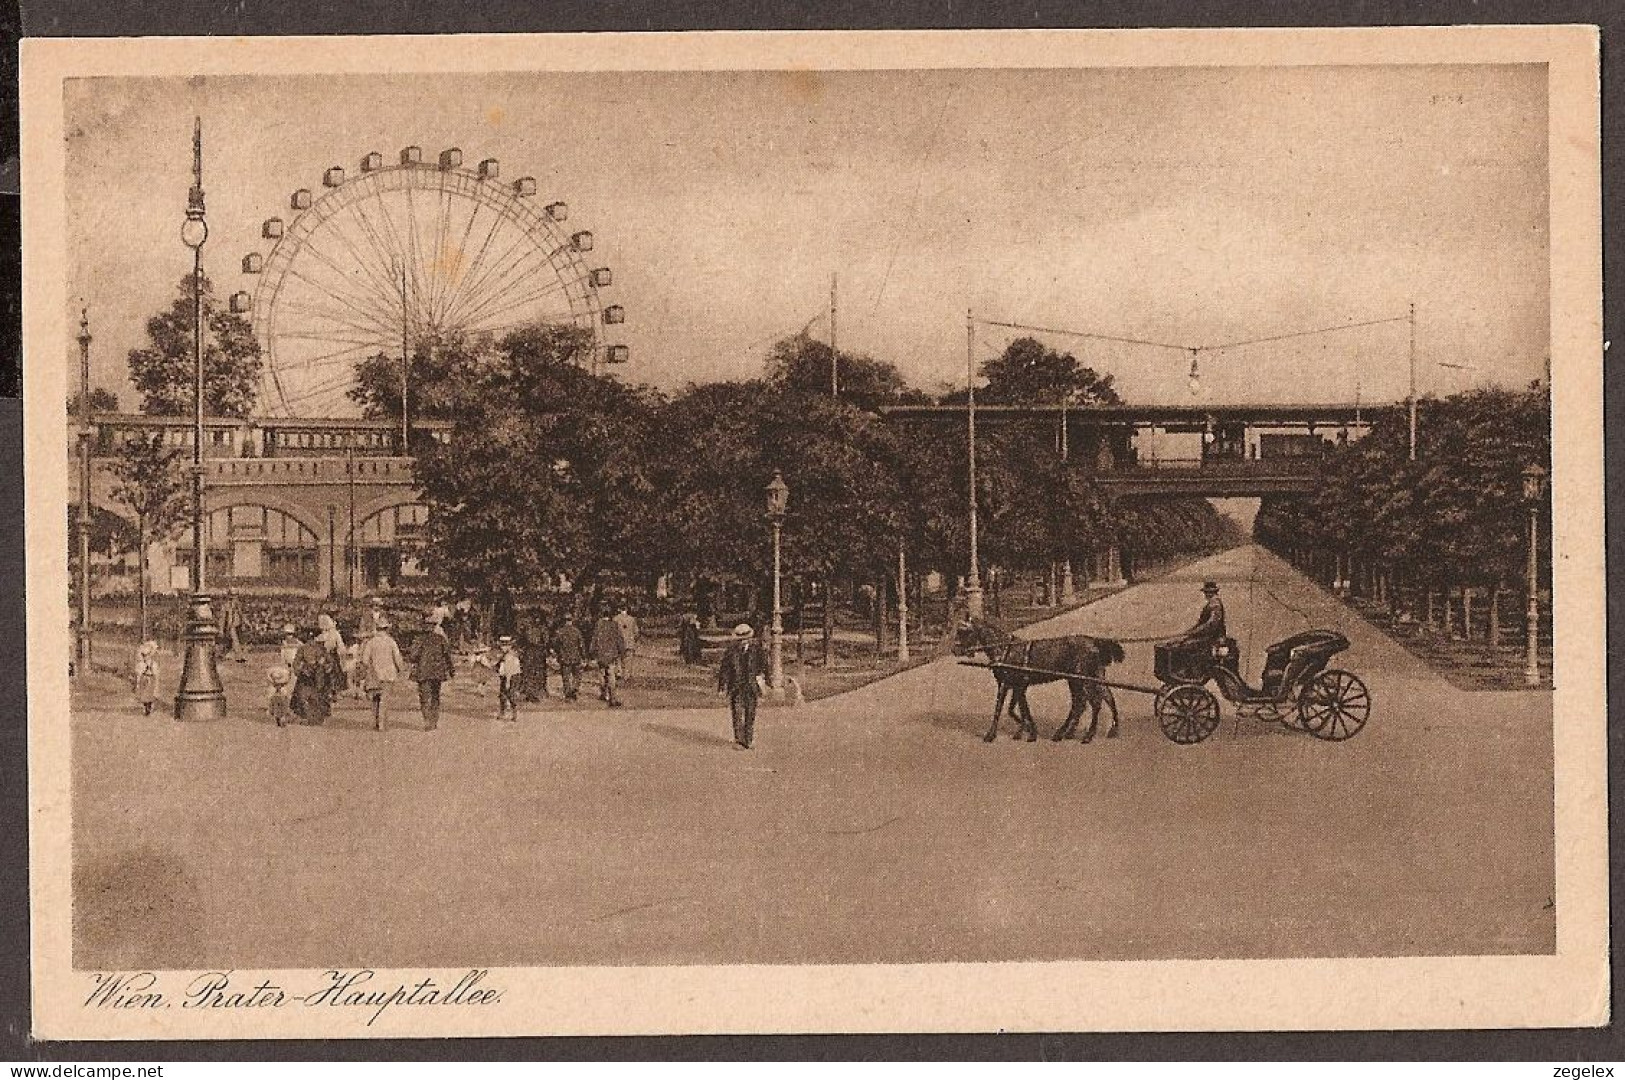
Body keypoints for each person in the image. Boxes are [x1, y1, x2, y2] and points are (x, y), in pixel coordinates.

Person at [717, 623, 766, 749]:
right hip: (736, 686)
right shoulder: (731, 651)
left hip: (751, 686)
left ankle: (748, 740)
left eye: (746, 638)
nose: (743, 641)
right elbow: (724, 670)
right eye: (740, 639)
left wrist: (766, 682)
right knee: (737, 713)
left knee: (750, 713)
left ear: (750, 638)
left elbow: (764, 666)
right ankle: (739, 740)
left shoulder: (757, 650)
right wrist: (722, 687)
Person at [356, 617, 407, 732]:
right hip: (388, 675)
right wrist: (401, 669)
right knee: (384, 699)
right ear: (386, 629)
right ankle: (382, 724)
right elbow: (398, 658)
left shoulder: (371, 642)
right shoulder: (391, 642)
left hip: (374, 674)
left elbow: (364, 660)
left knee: (375, 699)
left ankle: (375, 722)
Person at [410, 613, 456, 730]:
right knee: (435, 696)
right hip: (437, 672)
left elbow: (413, 656)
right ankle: (434, 720)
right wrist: (451, 670)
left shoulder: (418, 639)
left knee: (425, 697)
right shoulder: (440, 639)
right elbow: (447, 656)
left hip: (423, 672)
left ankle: (427, 720)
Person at [289, 626, 341, 726]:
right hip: (308, 675)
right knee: (304, 696)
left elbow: (330, 662)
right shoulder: (304, 648)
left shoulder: (320, 649)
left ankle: (317, 717)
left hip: (318, 674)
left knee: (319, 696)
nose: (311, 641)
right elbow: (296, 663)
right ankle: (309, 716)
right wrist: (301, 670)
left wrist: (325, 667)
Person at [477, 635, 522, 722]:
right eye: (502, 645)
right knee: (502, 695)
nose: (503, 647)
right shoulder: (503, 655)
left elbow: (510, 670)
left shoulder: (511, 656)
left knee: (510, 694)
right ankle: (503, 712)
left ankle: (514, 712)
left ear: (510, 646)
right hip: (504, 677)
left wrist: (508, 682)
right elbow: (498, 667)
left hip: (512, 676)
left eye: (506, 645)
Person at [589, 611, 626, 707]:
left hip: (601, 654)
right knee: (611, 675)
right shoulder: (614, 625)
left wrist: (592, 653)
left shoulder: (598, 625)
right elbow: (619, 639)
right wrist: (621, 652)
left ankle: (604, 693)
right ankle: (612, 697)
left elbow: (594, 639)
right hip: (611, 654)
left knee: (601, 674)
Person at [519, 617, 551, 702]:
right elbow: (546, 641)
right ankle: (535, 693)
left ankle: (529, 692)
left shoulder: (527, 629)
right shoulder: (543, 629)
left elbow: (522, 641)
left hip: (529, 653)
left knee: (528, 673)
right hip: (539, 653)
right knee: (538, 673)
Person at [553, 616, 584, 701]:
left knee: (566, 677)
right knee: (577, 675)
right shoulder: (577, 631)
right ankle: (574, 689)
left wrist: (558, 653)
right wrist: (583, 656)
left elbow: (556, 644)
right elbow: (581, 645)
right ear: (572, 621)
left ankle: (568, 693)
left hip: (564, 657)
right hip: (576, 656)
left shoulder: (560, 632)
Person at [132, 639, 159, 716]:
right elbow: (139, 673)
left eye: (146, 655)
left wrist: (156, 684)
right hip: (144, 679)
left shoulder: (153, 663)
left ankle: (148, 709)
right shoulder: (142, 664)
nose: (145, 657)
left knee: (149, 696)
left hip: (150, 680)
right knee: (144, 695)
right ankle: (145, 708)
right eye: (143, 655)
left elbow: (155, 674)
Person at [613, 603, 640, 678]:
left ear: (619, 609)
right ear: (627, 609)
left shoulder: (615, 619)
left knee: (618, 658)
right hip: (629, 643)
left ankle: (619, 672)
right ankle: (627, 675)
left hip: (618, 643)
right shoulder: (632, 619)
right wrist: (634, 640)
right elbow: (636, 632)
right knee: (628, 659)